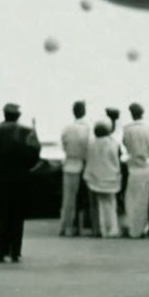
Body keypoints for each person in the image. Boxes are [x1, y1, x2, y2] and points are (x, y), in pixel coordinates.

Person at [0, 103, 41, 263]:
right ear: (18, 116)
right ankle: (15, 252)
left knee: (1, 216)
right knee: (17, 216)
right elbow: (35, 155)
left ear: (4, 114)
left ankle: (0, 251)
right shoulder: (27, 132)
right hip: (20, 180)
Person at [121, 103, 149, 238]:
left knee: (131, 199)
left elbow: (125, 144)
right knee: (143, 201)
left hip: (132, 167)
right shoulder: (147, 129)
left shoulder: (126, 129)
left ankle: (132, 227)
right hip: (145, 167)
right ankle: (140, 229)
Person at [84, 120, 122, 238]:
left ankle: (100, 229)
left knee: (98, 205)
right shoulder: (113, 144)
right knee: (111, 204)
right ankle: (112, 229)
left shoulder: (91, 144)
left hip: (95, 179)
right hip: (111, 179)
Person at [59, 101, 91, 237]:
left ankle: (66, 227)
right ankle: (82, 226)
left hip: (70, 165)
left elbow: (64, 145)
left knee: (68, 199)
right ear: (84, 111)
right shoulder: (87, 128)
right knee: (84, 199)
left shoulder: (67, 128)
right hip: (84, 165)